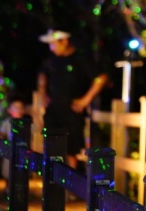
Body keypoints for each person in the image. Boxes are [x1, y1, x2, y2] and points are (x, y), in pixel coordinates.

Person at [37, 29, 108, 169]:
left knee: (70, 151)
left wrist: (85, 100)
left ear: (64, 41)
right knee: (51, 148)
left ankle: (70, 180)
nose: (51, 48)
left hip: (72, 111)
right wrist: (42, 93)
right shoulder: (51, 60)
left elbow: (101, 77)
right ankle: (53, 179)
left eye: (54, 43)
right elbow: (42, 75)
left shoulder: (80, 59)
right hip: (53, 110)